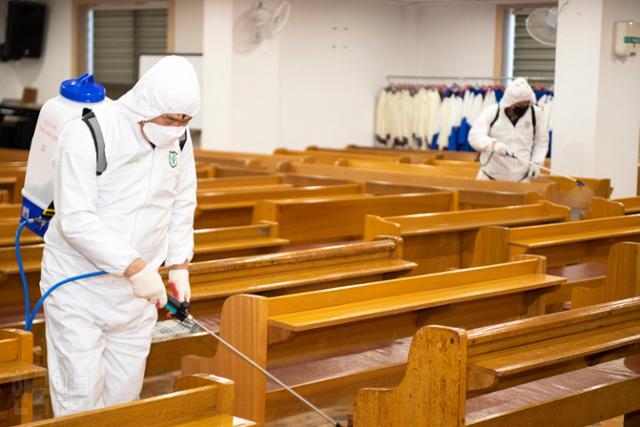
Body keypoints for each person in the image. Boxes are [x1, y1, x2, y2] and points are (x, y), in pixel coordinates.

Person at [41, 56, 199, 416]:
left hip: (138, 296)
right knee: (79, 400)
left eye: (185, 120)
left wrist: (178, 263)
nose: (177, 128)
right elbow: (76, 219)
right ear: (146, 105)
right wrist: (134, 266)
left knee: (124, 401)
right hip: (78, 290)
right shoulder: (88, 133)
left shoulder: (180, 139)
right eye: (170, 119)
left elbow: (181, 198)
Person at [469, 77, 549, 182]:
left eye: (526, 104)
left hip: (522, 179)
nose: (524, 107)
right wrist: (494, 145)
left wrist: (537, 163)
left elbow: (541, 141)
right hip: (490, 178)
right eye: (519, 105)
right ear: (509, 103)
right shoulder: (492, 112)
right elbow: (474, 137)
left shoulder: (536, 114)